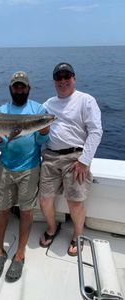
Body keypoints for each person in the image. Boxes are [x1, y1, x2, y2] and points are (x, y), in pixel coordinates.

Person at [0, 71, 49, 282]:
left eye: (23, 86)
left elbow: (41, 143)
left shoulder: (38, 110)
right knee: (2, 209)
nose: (19, 89)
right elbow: (2, 143)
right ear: (10, 88)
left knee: (26, 210)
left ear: (29, 88)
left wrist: (45, 132)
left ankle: (20, 254)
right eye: (16, 86)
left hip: (30, 168)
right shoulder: (1, 111)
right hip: (6, 166)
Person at [39, 62, 103, 256]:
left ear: (74, 78)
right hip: (49, 156)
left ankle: (77, 235)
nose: (63, 81)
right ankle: (52, 228)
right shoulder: (47, 105)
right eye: (59, 77)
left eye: (67, 76)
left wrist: (84, 160)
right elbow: (34, 127)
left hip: (76, 158)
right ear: (54, 81)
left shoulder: (86, 100)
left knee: (75, 201)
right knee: (44, 199)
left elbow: (96, 131)